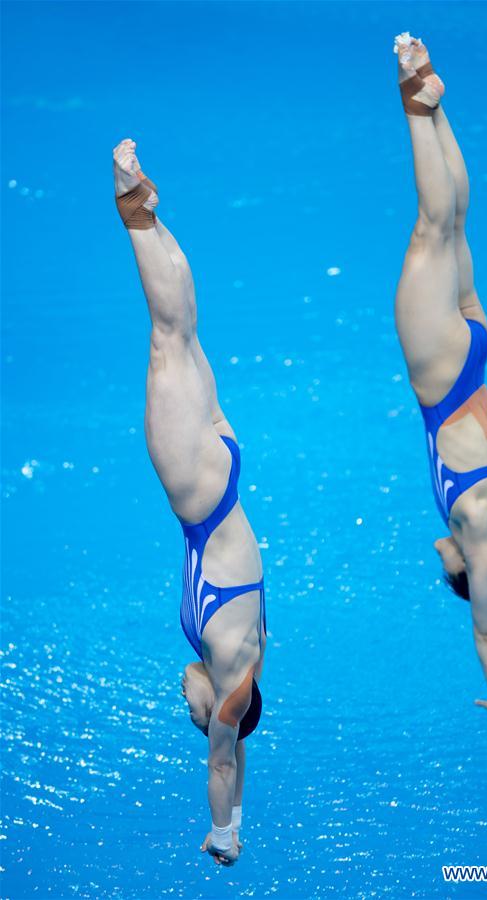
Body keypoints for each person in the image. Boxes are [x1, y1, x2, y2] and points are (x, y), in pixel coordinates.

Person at [113, 138, 267, 864]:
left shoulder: (251, 661)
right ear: (221, 714)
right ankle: (133, 212)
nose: (189, 708)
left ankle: (147, 209)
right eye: (197, 717)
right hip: (200, 494)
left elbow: (240, 754)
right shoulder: (231, 688)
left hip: (222, 476)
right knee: (168, 339)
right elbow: (226, 758)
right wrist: (225, 832)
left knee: (183, 335)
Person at [392, 35, 487, 717]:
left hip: (477, 351)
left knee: (457, 223)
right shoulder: (476, 528)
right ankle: (416, 104)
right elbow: (486, 621)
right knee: (432, 227)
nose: (437, 555)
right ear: (466, 566)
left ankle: (435, 98)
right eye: (450, 566)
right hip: (444, 376)